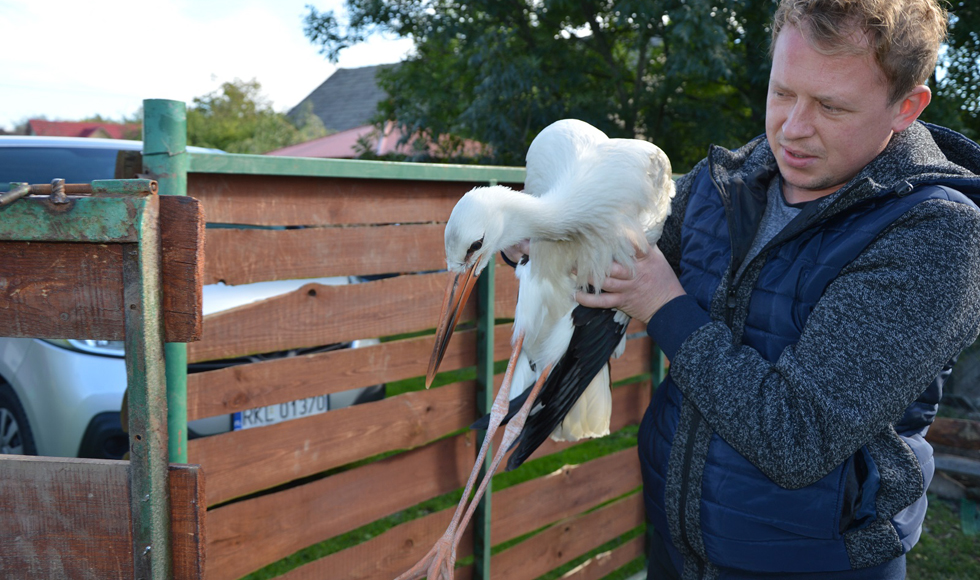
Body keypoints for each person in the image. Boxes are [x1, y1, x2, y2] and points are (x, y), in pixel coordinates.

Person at [574, 0, 980, 578]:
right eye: (783, 92)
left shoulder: (938, 234)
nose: (793, 128)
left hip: (815, 564)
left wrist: (663, 305)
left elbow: (797, 437)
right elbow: (621, 268)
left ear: (906, 108)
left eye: (831, 106)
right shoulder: (723, 183)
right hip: (675, 545)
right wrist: (543, 239)